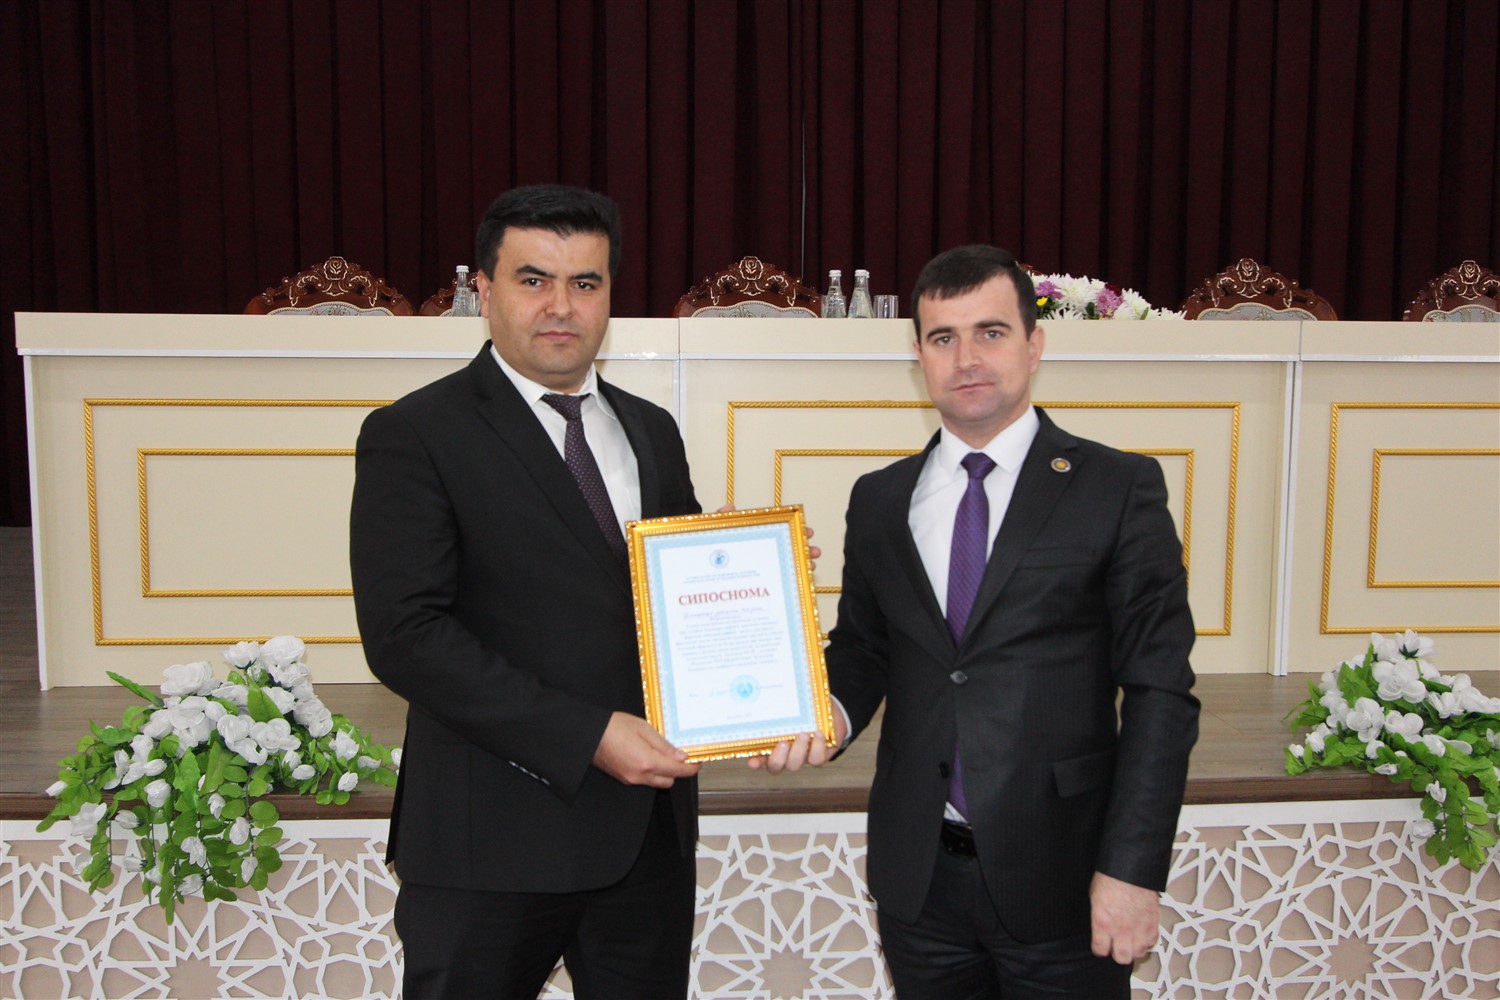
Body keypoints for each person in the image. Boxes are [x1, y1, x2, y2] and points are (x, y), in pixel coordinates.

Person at [758, 245, 1199, 998]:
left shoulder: (1117, 487)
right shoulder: (879, 498)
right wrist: (823, 711)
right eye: (943, 337)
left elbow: (1161, 691)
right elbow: (864, 647)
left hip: (1066, 880)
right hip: (920, 881)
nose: (966, 359)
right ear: (918, 356)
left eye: (990, 333)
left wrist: (1131, 870)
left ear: (1034, 344)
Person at [349, 184, 704, 999]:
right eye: (533, 279)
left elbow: (661, 601)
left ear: (610, 294)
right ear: (484, 290)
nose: (561, 306)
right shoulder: (415, 433)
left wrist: (743, 572)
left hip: (645, 844)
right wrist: (586, 735)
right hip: (489, 844)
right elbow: (406, 635)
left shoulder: (651, 430)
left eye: (585, 282)